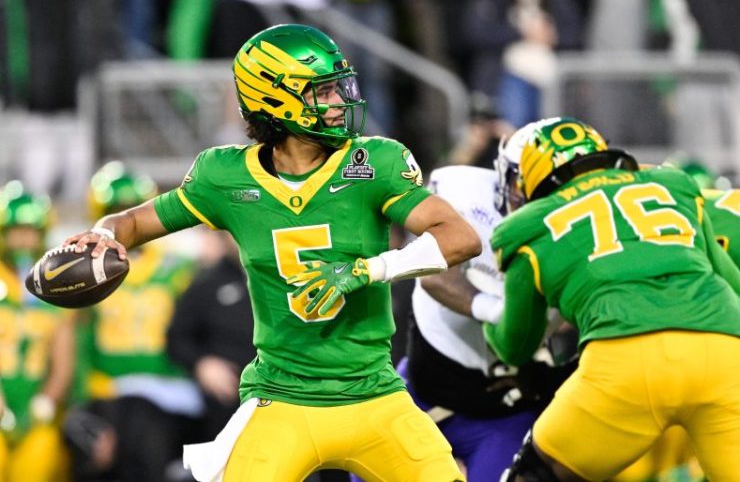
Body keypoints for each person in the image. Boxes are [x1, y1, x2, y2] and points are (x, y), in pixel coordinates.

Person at [61, 24, 481, 482]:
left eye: (339, 87)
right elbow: (135, 222)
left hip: (374, 395)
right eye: (323, 91)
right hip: (283, 399)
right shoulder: (225, 176)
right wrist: (104, 234)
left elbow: (460, 237)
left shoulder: (372, 163)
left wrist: (368, 269)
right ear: (277, 100)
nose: (340, 101)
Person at [483, 117, 740, 481]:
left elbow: (517, 345)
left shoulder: (525, 228)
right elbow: (731, 282)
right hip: (723, 350)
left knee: (538, 473)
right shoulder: (672, 185)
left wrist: (488, 315)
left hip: (627, 361)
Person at [390, 121, 576, 481]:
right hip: (423, 387)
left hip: (502, 411)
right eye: (523, 181)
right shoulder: (466, 190)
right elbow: (433, 274)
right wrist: (501, 312)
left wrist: (547, 362)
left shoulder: (581, 233)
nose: (527, 195)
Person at [63, 162, 199, 482]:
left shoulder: (179, 268)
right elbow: (77, 340)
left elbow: (197, 330)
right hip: (108, 390)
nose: (122, 221)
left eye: (129, 210)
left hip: (167, 390)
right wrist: (82, 396)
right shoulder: (84, 272)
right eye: (114, 211)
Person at [0, 181, 76, 482]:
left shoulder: (52, 286)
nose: (23, 239)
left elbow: (63, 360)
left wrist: (47, 400)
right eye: (16, 231)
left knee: (39, 461)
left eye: (30, 231)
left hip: (34, 406)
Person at [166, 230, 256, 441]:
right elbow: (177, 337)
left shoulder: (287, 279)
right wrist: (201, 364)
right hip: (229, 401)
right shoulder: (206, 283)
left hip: (288, 393)